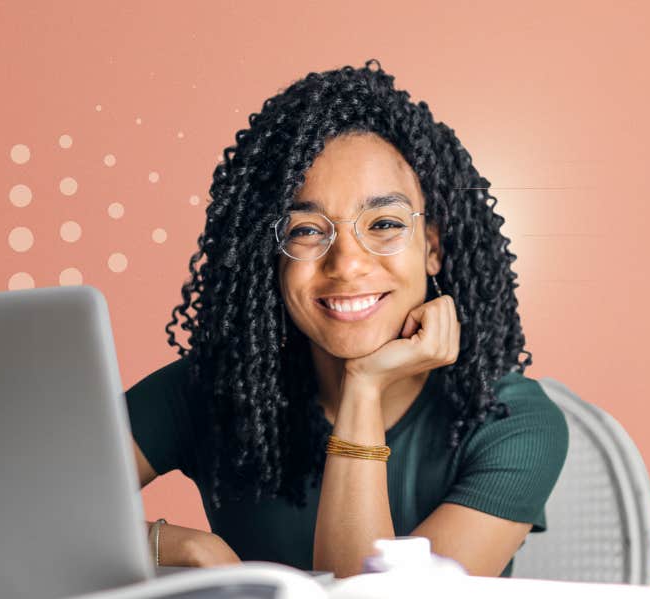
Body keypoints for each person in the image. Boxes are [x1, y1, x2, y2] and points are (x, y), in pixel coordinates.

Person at [125, 59, 568, 579]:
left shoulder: (510, 421)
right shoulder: (211, 389)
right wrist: (179, 546)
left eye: (383, 223)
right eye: (306, 231)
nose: (348, 264)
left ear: (433, 247)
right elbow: (20, 507)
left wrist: (364, 385)